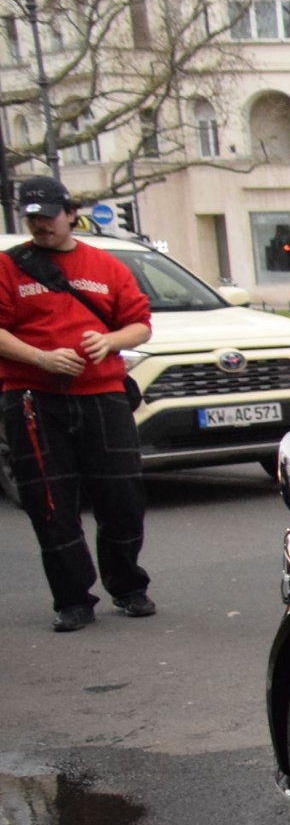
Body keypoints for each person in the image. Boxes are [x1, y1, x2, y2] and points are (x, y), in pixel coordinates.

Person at [0, 176, 156, 632]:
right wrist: (41, 357)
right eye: (32, 218)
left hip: (102, 394)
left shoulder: (105, 265)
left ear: (71, 212)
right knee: (50, 502)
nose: (41, 225)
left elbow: (140, 326)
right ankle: (72, 599)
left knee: (123, 497)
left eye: (49, 216)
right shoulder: (10, 268)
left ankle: (128, 585)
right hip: (32, 398)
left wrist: (108, 341)